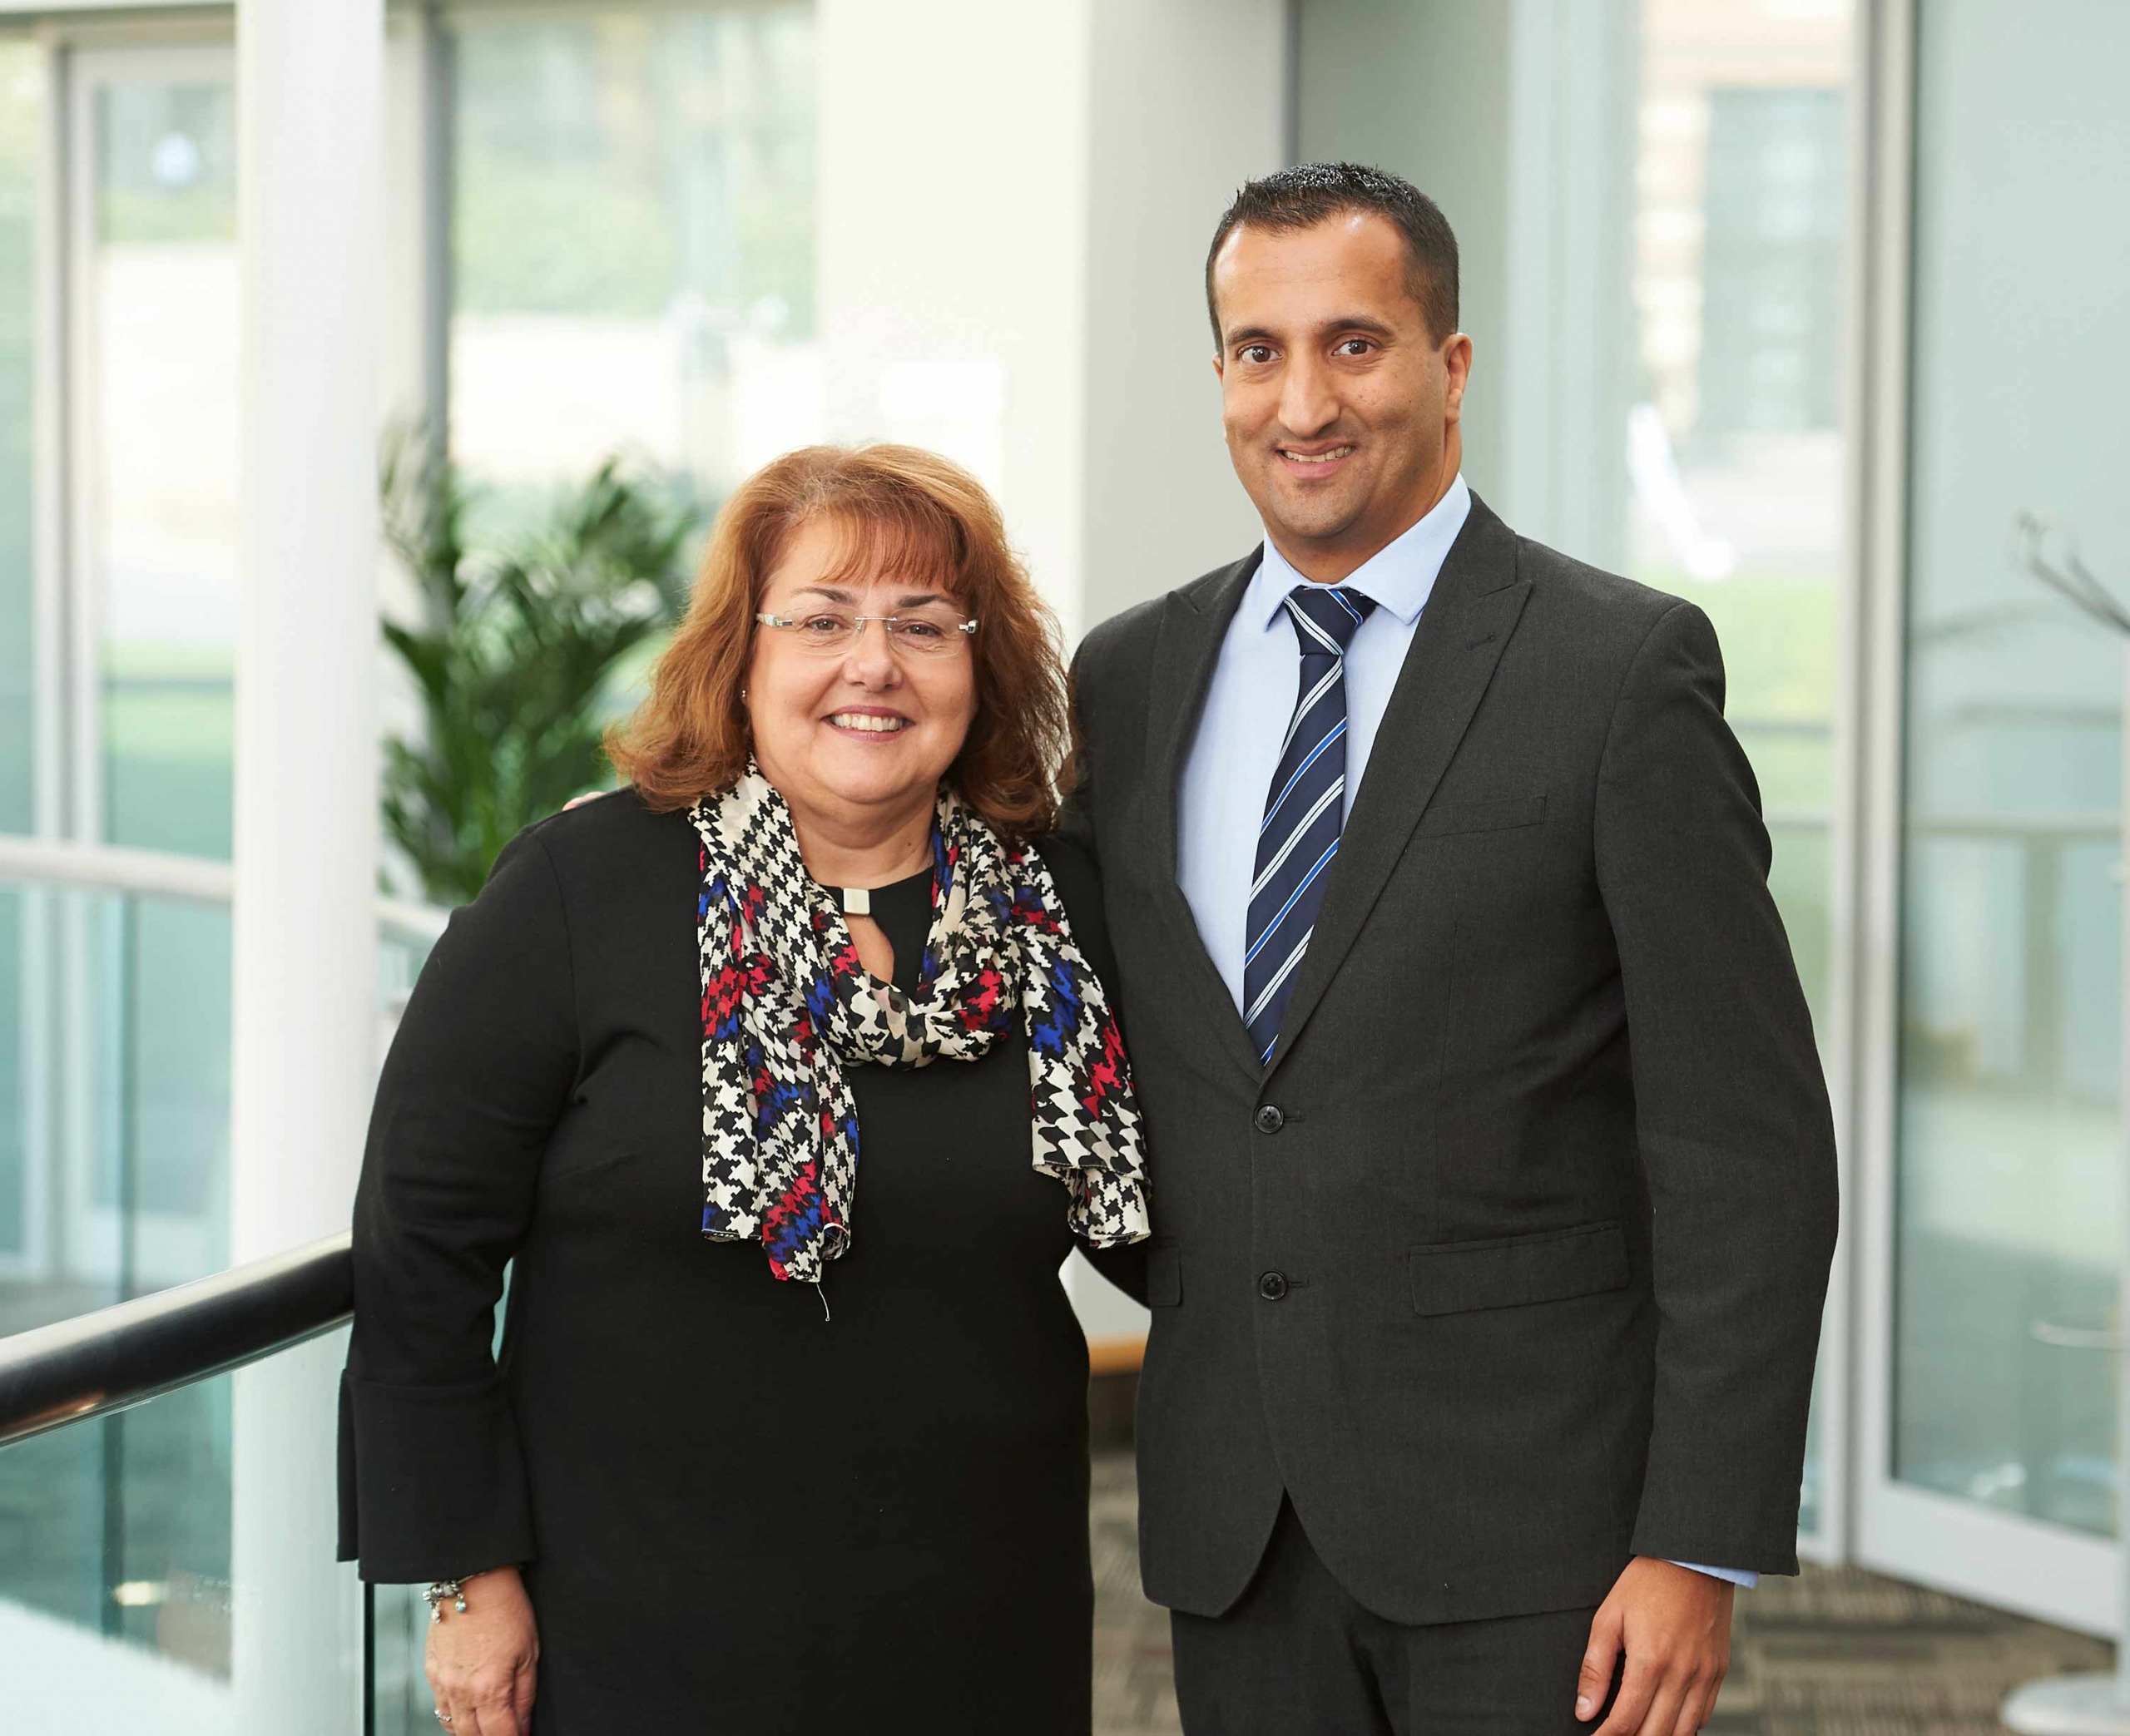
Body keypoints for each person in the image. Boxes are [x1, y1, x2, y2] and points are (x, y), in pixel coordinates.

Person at [1067, 163, 1838, 1734]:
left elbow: (1744, 1145)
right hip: (1238, 1525)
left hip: (1544, 1537)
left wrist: (1697, 1539)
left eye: (1355, 343)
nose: (1303, 401)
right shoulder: (1132, 679)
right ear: (1218, 373)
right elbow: (1127, 1066)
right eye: (1257, 350)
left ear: (1450, 365)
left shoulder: (1621, 670)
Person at [337, 443, 1149, 1734]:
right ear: (744, 656)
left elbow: (1195, 1211)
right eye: (822, 620)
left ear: (977, 668)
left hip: (982, 1630)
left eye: (922, 624)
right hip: (635, 1635)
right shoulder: (576, 892)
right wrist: (465, 1578)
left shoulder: (1065, 912)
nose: (871, 663)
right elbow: (421, 1248)